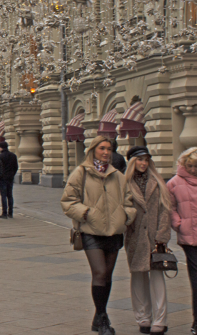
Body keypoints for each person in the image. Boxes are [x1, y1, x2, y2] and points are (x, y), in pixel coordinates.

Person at [61, 136, 136, 335]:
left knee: (107, 276)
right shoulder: (81, 173)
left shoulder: (118, 176)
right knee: (100, 273)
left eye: (108, 149)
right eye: (102, 148)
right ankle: (103, 320)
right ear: (93, 150)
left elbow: (129, 201)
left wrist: (126, 216)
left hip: (113, 232)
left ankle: (98, 316)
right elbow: (68, 201)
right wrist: (86, 214)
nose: (105, 152)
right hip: (90, 231)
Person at [124, 146, 171, 335]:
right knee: (138, 277)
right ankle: (143, 318)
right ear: (132, 162)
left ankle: (160, 320)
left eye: (146, 160)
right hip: (135, 238)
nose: (143, 163)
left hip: (155, 238)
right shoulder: (125, 183)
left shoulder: (157, 182)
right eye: (139, 160)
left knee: (157, 278)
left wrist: (162, 236)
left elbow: (165, 210)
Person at [167, 147, 197, 335]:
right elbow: (170, 207)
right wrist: (179, 224)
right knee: (196, 279)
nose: (193, 169)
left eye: (196, 166)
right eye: (190, 165)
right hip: (189, 238)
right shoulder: (174, 183)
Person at [0, 141, 19, 219]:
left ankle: (4, 213)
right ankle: (11, 213)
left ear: (1, 148)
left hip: (3, 178)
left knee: (3, 195)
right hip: (10, 178)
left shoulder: (0, 156)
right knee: (10, 195)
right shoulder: (13, 156)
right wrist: (12, 174)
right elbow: (16, 167)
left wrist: (0, 176)